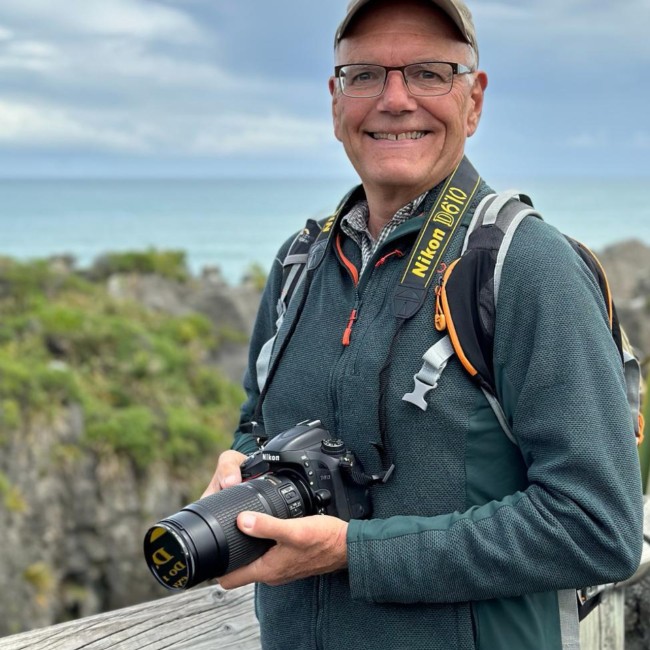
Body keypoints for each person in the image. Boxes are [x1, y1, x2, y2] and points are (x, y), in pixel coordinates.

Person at [204, 1, 644, 648]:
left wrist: (355, 552)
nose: (395, 99)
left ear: (474, 99)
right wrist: (238, 474)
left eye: (430, 73)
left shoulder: (526, 268)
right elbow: (257, 425)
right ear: (335, 102)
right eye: (363, 75)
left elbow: (596, 526)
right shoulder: (299, 266)